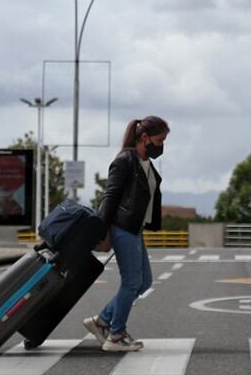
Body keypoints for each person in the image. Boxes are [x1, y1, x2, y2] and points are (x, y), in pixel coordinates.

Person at [84, 116, 169, 352]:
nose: (161, 145)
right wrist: (100, 229)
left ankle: (102, 321)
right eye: (159, 140)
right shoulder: (125, 161)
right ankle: (116, 335)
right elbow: (110, 196)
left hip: (135, 229)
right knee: (132, 282)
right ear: (144, 137)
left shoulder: (145, 164)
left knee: (144, 282)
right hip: (122, 228)